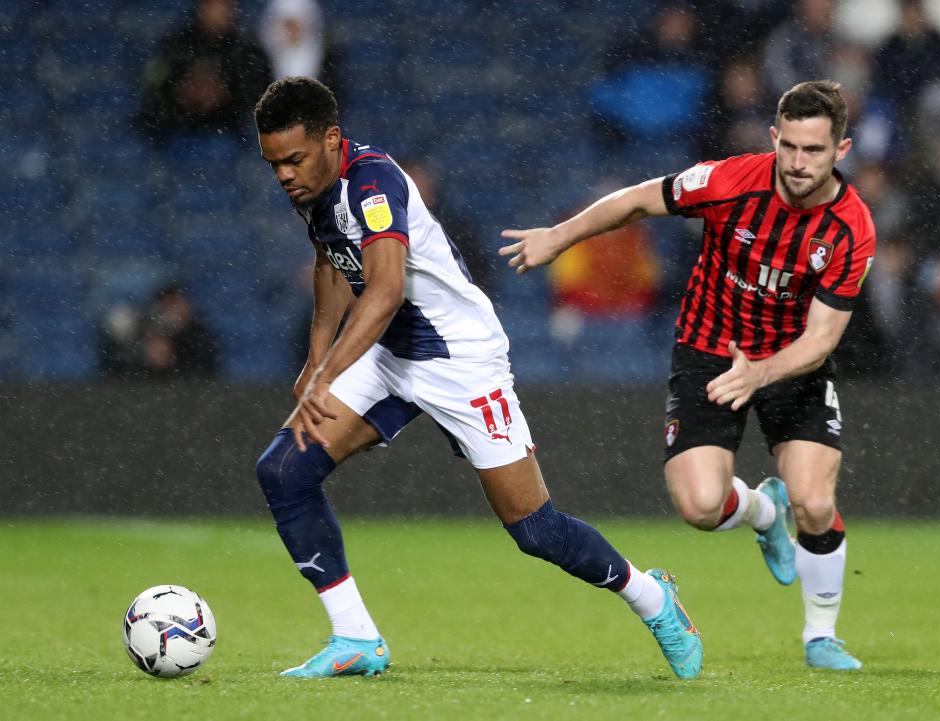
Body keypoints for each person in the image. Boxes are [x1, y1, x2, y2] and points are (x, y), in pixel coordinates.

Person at [251, 77, 703, 680]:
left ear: (331, 139)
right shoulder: (314, 187)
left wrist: (326, 373)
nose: (284, 174)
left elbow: (383, 292)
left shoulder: (374, 183)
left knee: (536, 531)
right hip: (390, 354)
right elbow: (331, 260)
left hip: (459, 358)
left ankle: (651, 597)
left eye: (294, 159)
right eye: (274, 163)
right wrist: (314, 358)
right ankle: (355, 637)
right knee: (284, 472)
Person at [500, 80, 875, 671]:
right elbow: (636, 200)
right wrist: (560, 237)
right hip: (709, 350)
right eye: (790, 147)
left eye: (814, 150)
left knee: (814, 501)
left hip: (791, 362)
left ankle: (820, 637)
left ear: (841, 150)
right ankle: (763, 513)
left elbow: (822, 339)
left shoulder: (851, 228)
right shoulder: (728, 181)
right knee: (701, 507)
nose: (799, 163)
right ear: (774, 138)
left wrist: (761, 374)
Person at [138, 0, 272, 139]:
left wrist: (224, 94)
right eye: (211, 6)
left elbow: (258, 97)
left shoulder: (247, 49)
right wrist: (183, 92)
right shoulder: (177, 43)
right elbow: (152, 87)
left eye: (223, 7)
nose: (217, 13)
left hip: (230, 131)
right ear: (200, 8)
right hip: (176, 128)